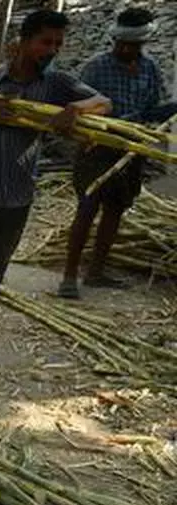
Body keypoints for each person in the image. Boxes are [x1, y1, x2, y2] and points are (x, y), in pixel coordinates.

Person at [0, 11, 110, 394]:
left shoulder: (55, 83)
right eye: (45, 42)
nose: (51, 50)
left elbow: (104, 101)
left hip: (18, 198)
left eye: (57, 43)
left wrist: (76, 110)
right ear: (22, 42)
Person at [59, 8, 176, 299]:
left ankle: (96, 272)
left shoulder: (149, 68)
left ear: (142, 44)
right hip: (97, 149)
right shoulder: (96, 67)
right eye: (122, 43)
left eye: (133, 45)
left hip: (131, 151)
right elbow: (78, 109)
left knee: (115, 210)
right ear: (114, 39)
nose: (126, 49)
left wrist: (171, 110)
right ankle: (69, 277)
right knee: (86, 209)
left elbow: (150, 109)